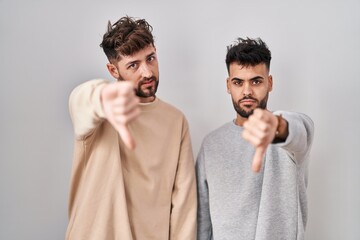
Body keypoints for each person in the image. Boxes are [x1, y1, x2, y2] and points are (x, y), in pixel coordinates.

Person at [66, 16, 197, 240]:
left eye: (151, 58)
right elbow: (79, 100)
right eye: (133, 65)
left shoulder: (176, 121)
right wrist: (102, 96)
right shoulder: (98, 112)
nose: (147, 72)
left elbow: (184, 208)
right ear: (113, 70)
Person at [196, 37, 314, 240]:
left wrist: (277, 125)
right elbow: (203, 222)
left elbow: (301, 129)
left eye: (256, 81)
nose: (247, 91)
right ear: (228, 85)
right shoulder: (211, 145)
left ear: (269, 83)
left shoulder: (288, 136)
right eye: (238, 82)